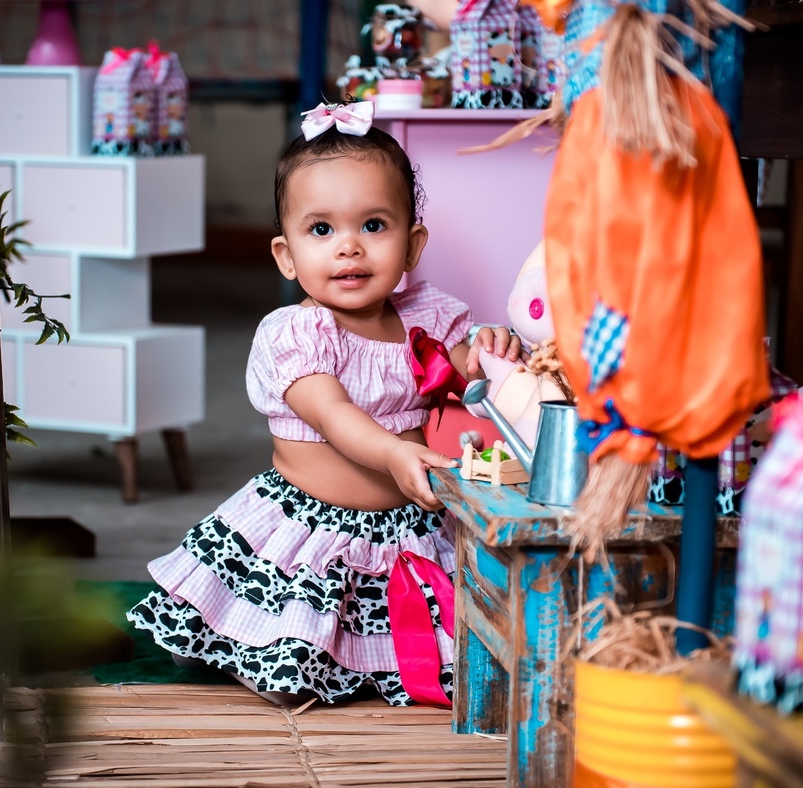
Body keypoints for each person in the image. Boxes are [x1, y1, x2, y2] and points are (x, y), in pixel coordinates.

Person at [128, 101, 520, 706]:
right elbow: (334, 415)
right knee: (290, 671)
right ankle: (234, 641)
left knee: (455, 654)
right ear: (286, 256)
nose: (349, 248)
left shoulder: (428, 315)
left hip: (407, 527)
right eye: (321, 230)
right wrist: (393, 452)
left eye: (374, 225)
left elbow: (469, 368)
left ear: (412, 245)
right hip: (309, 529)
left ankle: (336, 658)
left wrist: (490, 348)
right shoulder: (297, 334)